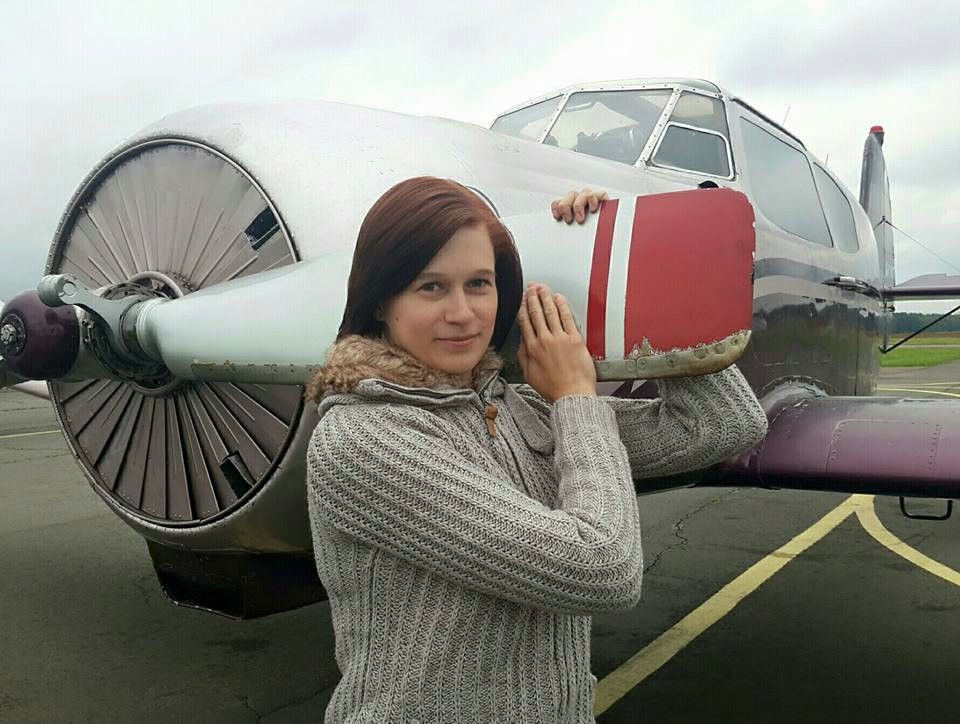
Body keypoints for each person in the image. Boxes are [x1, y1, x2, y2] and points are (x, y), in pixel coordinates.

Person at [305, 178, 768, 724]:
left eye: (479, 284)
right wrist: (576, 397)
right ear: (381, 301)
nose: (463, 313)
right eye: (431, 287)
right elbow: (604, 568)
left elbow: (723, 422)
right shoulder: (360, 440)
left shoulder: (515, 408)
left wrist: (642, 271)